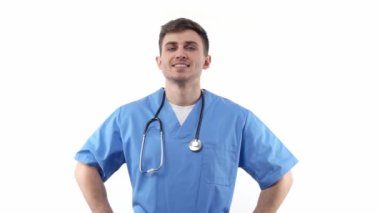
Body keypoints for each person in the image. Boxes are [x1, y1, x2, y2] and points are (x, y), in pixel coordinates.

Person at [74, 17, 298, 213]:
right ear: (159, 61)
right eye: (171, 47)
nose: (180, 53)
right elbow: (86, 167)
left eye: (190, 47)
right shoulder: (128, 117)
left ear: (206, 61)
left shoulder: (236, 119)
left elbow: (280, 176)